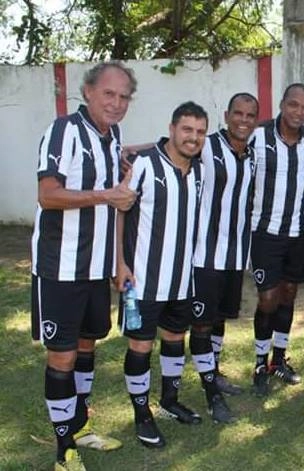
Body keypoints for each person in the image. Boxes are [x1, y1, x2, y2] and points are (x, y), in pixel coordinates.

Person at [31, 61, 136, 471]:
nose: (116, 103)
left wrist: (118, 261)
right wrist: (105, 194)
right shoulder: (63, 131)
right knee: (61, 358)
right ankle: (63, 451)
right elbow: (48, 195)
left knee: (87, 348)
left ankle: (79, 426)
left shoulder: (112, 138)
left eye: (124, 96)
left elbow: (117, 198)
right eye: (108, 94)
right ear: (88, 92)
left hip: (96, 267)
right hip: (61, 268)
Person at [117, 102, 235, 450]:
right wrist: (119, 265)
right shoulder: (144, 166)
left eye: (200, 132)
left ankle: (169, 400)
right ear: (172, 129)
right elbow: (120, 212)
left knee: (174, 339)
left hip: (182, 278)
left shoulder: (199, 171)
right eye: (187, 130)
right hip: (142, 279)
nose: (194, 138)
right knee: (140, 345)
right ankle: (142, 415)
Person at [190, 93, 260, 396]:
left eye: (250, 115)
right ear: (227, 115)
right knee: (202, 321)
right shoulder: (207, 145)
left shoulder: (252, 154)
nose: (243, 120)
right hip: (204, 253)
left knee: (220, 318)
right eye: (238, 114)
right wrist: (128, 152)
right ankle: (208, 383)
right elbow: (168, 148)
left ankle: (213, 370)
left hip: (235, 254)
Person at [250, 83, 304, 396]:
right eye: (293, 105)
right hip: (265, 233)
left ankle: (278, 359)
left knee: (289, 294)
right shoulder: (258, 136)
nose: (299, 112)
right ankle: (260, 362)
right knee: (267, 299)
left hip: (297, 233)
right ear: (281, 104)